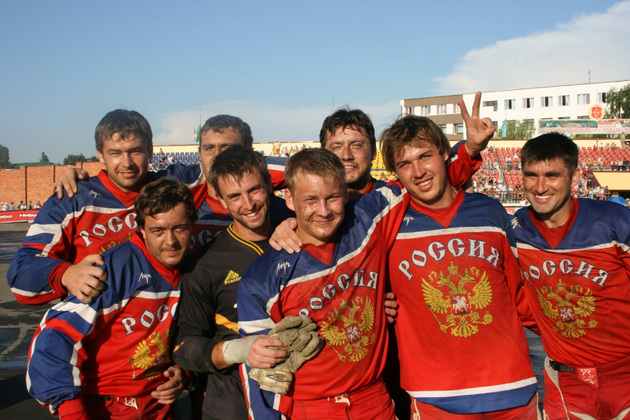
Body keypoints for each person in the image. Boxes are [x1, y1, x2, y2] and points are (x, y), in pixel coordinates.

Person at [380, 115, 539, 418]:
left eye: (425, 156)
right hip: (436, 396)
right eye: (405, 164)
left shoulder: (490, 212)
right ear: (396, 173)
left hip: (511, 386)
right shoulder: (388, 224)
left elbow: (521, 293)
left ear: (445, 153)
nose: (418, 171)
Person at [238, 148, 411, 419]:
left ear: (345, 193)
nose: (323, 211)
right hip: (310, 408)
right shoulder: (261, 278)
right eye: (310, 199)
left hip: (374, 400)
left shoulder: (368, 220)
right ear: (289, 199)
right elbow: (257, 374)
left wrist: (470, 149)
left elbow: (419, 177)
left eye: (332, 197)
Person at [26, 178, 194, 419]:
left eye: (180, 228)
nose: (171, 241)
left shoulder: (194, 270)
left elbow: (196, 334)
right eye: (158, 231)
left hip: (161, 408)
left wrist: (184, 373)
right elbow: (53, 338)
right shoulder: (114, 271)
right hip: (106, 408)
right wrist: (72, 412)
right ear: (141, 230)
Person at [513, 133, 630, 419]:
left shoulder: (614, 222)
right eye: (531, 175)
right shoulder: (515, 231)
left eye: (552, 175)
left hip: (624, 372)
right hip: (566, 380)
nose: (540, 187)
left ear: (574, 177)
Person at [173, 145, 290, 419]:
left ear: (269, 185)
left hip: (300, 399)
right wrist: (238, 351)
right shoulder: (204, 265)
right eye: (235, 196)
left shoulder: (299, 239)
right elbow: (183, 347)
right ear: (222, 201)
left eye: (254, 190)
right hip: (232, 405)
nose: (248, 204)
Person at [8, 109, 157, 305]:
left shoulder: (172, 186)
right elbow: (21, 273)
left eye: (135, 151)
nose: (127, 163)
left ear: (150, 150)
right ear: (100, 155)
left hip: (162, 318)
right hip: (92, 322)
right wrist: (66, 274)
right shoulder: (71, 198)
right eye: (115, 153)